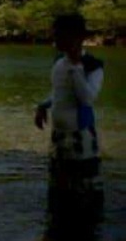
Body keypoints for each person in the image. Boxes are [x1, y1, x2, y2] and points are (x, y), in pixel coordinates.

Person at [34, 14, 104, 237]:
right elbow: (59, 93)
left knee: (83, 192)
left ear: (77, 37)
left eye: (59, 34)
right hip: (60, 136)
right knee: (59, 190)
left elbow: (87, 99)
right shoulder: (58, 61)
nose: (55, 38)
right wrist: (42, 105)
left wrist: (76, 67)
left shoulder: (93, 66)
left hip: (81, 137)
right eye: (55, 34)